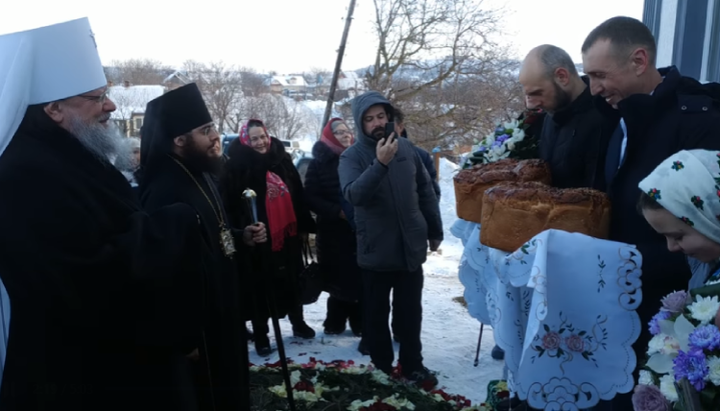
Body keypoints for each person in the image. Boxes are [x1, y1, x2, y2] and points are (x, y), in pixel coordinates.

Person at [0, 18, 205, 409]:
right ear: (55, 109)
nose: (110, 105)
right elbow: (81, 281)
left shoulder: (72, 155)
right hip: (80, 375)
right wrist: (174, 224)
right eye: (96, 97)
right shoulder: (22, 173)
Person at [581, 16, 720, 409]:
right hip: (626, 301)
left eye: (599, 75)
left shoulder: (699, 122)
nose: (594, 89)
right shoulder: (621, 118)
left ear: (639, 60)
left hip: (676, 309)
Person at [138, 83, 266, 410]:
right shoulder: (162, 189)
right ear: (179, 140)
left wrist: (240, 236)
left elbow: (209, 232)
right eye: (205, 130)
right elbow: (161, 270)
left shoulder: (202, 172)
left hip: (223, 309)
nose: (215, 136)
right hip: (199, 327)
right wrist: (184, 335)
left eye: (214, 128)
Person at [338, 91, 443, 387]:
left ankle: (413, 365)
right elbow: (354, 195)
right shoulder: (351, 156)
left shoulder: (407, 148)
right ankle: (382, 368)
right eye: (369, 119)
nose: (377, 123)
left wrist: (435, 231)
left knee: (410, 314)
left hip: (410, 247)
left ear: (390, 117)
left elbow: (426, 191)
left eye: (381, 116)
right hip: (376, 250)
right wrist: (380, 164)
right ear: (360, 124)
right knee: (376, 315)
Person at [220, 119, 316, 356]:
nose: (261, 142)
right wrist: (244, 231)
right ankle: (262, 334)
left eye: (263, 136)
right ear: (245, 140)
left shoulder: (282, 160)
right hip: (259, 238)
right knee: (260, 285)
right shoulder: (236, 168)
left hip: (287, 235)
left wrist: (304, 223)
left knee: (292, 279)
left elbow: (297, 193)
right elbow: (229, 205)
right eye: (254, 138)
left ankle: (297, 322)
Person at [304, 118, 366, 351]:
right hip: (332, 230)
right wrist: (335, 211)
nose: (344, 135)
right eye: (338, 132)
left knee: (359, 276)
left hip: (358, 229)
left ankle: (360, 321)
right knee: (338, 277)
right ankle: (335, 320)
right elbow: (310, 196)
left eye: (347, 131)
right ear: (329, 136)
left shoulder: (359, 158)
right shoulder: (318, 164)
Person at [520, 44, 617, 190]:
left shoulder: (604, 118)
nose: (531, 105)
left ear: (562, 76)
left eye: (537, 93)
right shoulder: (550, 114)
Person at [393, 106, 441, 200]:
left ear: (400, 127)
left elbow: (432, 195)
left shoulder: (421, 156)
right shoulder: (371, 158)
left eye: (390, 124)